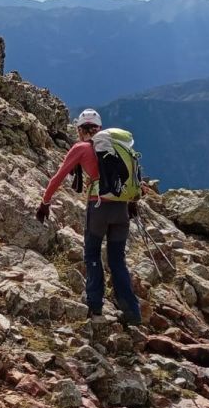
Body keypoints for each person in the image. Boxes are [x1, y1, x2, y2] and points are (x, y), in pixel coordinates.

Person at [36, 108, 143, 325]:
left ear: (79, 130)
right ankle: (132, 311)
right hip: (122, 209)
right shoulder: (118, 148)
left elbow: (59, 176)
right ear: (100, 129)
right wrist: (132, 203)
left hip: (99, 208)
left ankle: (95, 305)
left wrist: (45, 202)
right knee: (117, 260)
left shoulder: (82, 148)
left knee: (93, 254)